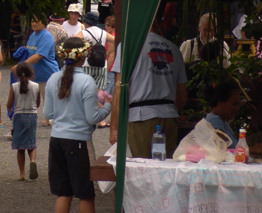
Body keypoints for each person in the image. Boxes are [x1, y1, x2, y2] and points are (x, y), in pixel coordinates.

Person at [44, 37, 112, 213]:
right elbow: (92, 118)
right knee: (85, 193)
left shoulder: (53, 79)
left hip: (56, 139)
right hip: (79, 141)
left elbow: (48, 114)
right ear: (84, 57)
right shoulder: (87, 81)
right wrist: (108, 106)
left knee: (63, 192)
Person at [109, 12, 187, 158]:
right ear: (156, 23)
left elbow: (119, 87)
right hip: (169, 116)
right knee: (167, 172)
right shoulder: (173, 48)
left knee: (142, 171)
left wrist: (114, 128)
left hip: (141, 118)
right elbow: (182, 96)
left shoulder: (129, 46)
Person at [12, 14, 59, 127]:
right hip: (34, 75)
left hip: (48, 74)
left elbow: (39, 56)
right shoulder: (33, 35)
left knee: (49, 99)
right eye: (32, 21)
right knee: (31, 99)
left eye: (36, 21)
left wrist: (21, 65)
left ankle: (54, 123)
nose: (33, 24)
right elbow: (29, 52)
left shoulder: (46, 36)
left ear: (44, 23)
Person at [7, 62, 39, 181]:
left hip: (19, 116)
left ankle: (22, 173)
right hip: (32, 115)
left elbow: (9, 104)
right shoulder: (36, 86)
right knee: (32, 143)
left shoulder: (14, 86)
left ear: (17, 74)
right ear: (31, 73)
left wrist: (10, 109)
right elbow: (38, 103)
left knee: (20, 147)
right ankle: (33, 161)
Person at [75, 12, 115, 91]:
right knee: (99, 93)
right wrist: (108, 52)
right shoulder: (103, 33)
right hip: (102, 65)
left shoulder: (84, 33)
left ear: (86, 22)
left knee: (85, 90)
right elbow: (116, 41)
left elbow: (73, 41)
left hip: (86, 64)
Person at [205, 80, 242, 149]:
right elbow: (223, 152)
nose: (237, 109)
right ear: (221, 102)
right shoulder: (215, 122)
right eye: (234, 104)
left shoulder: (222, 120)